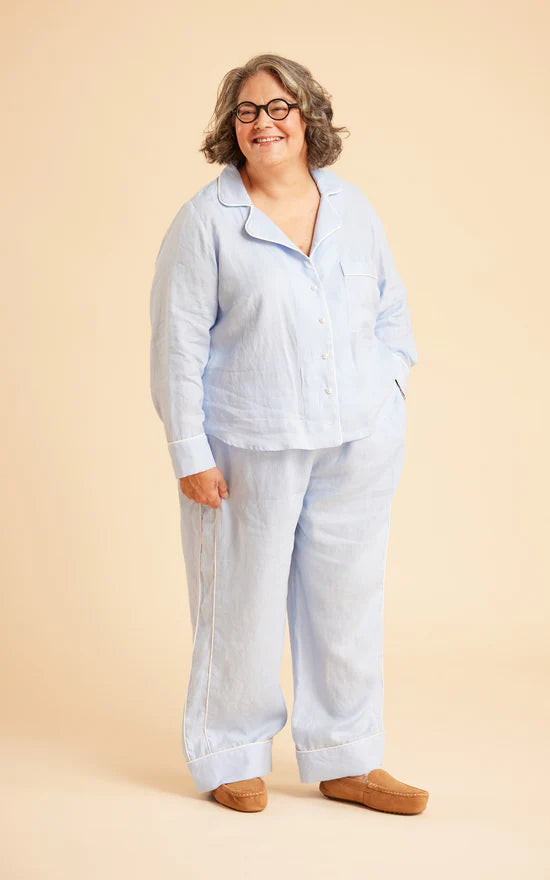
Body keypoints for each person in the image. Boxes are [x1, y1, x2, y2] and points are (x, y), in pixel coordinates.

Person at [149, 53, 429, 814]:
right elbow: (176, 347)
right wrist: (190, 454)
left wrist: (390, 392)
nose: (263, 123)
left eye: (279, 108)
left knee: (346, 604)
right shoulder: (206, 220)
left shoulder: (353, 207)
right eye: (247, 111)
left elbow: (390, 309)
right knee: (239, 605)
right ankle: (228, 755)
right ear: (230, 126)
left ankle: (347, 758)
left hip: (355, 441)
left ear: (308, 119)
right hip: (249, 445)